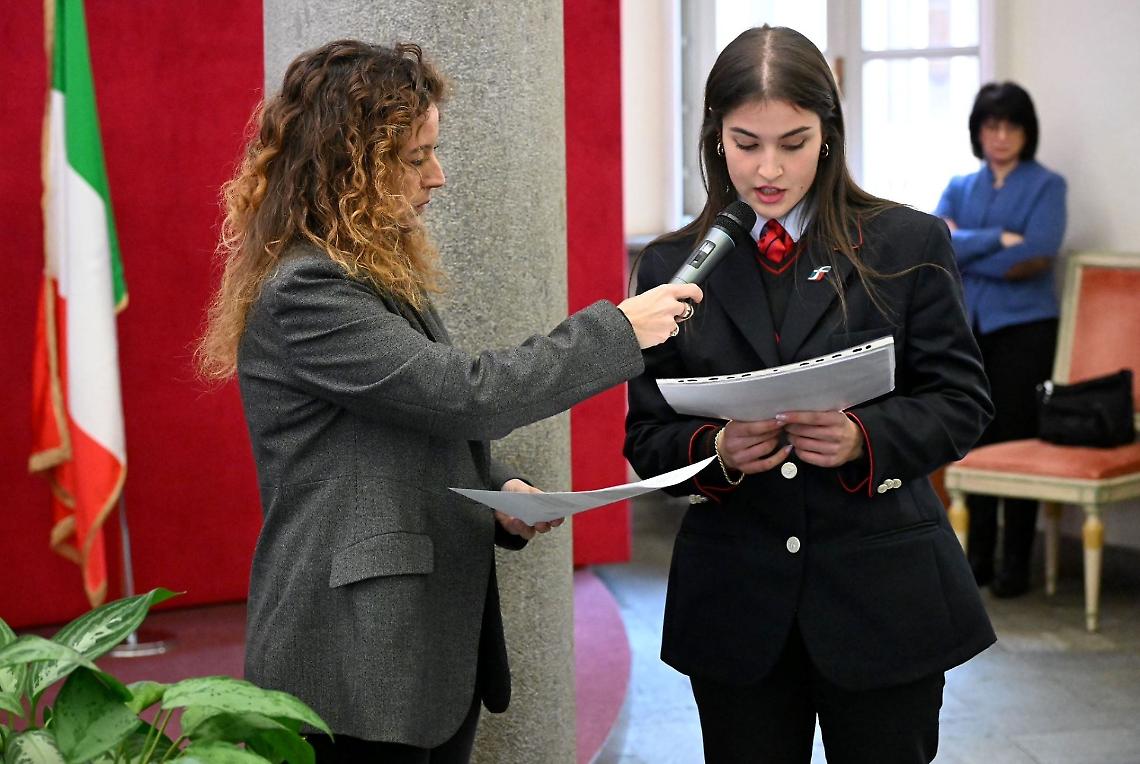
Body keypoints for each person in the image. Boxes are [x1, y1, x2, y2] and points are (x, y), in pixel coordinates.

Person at [195, 40, 701, 763]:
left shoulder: (367, 271)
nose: (438, 176)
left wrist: (495, 493)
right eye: (413, 158)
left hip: (414, 650)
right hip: (353, 658)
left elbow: (398, 431)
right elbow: (466, 395)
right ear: (348, 167)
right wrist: (619, 329)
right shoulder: (306, 291)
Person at [623, 26, 996, 763]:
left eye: (793, 142)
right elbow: (647, 436)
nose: (768, 168)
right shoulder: (673, 264)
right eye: (745, 142)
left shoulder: (906, 243)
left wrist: (867, 439)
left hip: (883, 595)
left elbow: (963, 399)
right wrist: (718, 451)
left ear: (829, 134)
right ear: (714, 138)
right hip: (735, 603)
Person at [935, 82, 1067, 598]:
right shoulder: (960, 184)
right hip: (971, 328)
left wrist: (972, 250)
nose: (1001, 135)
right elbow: (938, 242)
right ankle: (979, 559)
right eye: (991, 125)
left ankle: (1016, 563)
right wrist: (997, 239)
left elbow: (1036, 256)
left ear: (1026, 132)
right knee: (976, 439)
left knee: (1018, 440)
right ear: (979, 132)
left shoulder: (1047, 185)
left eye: (1011, 125)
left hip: (1026, 331)